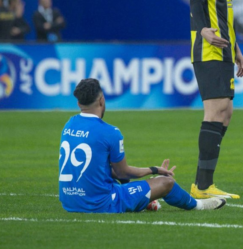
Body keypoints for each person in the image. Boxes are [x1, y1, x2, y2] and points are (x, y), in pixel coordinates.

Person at [59, 78, 226, 213]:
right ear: (102, 100)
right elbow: (122, 172)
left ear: (79, 103)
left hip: (69, 202)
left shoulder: (69, 124)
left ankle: (143, 200)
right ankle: (199, 205)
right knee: (166, 182)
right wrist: (154, 170)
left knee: (113, 177)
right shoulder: (110, 132)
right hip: (100, 204)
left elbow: (103, 169)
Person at [189, 0, 243, 200]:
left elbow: (224, 14)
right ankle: (201, 186)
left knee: (226, 112)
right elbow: (196, 2)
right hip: (208, 49)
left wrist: (236, 49)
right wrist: (203, 31)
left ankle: (205, 181)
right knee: (215, 112)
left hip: (224, 49)